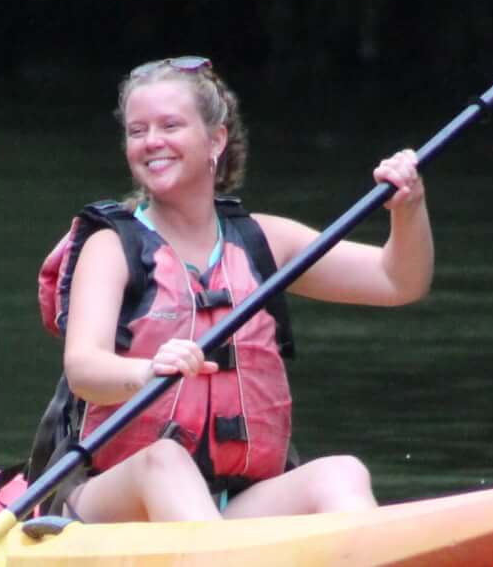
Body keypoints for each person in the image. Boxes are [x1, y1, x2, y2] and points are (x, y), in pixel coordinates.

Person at [33, 55, 433, 523]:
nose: (152, 142)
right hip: (117, 500)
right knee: (166, 461)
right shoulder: (111, 247)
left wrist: (409, 207)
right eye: (137, 131)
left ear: (215, 140)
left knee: (341, 474)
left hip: (234, 507)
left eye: (170, 126)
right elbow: (83, 367)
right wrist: (146, 373)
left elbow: (398, 281)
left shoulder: (262, 241)